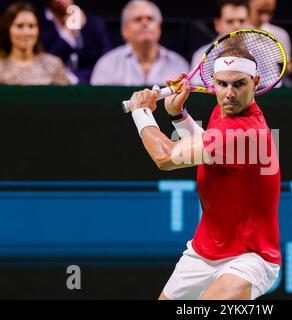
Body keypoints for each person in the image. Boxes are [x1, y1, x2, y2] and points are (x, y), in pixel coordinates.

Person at [126, 47, 281, 300]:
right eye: (222, 84)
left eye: (238, 84)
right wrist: (178, 115)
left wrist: (141, 111)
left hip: (250, 257)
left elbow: (164, 157)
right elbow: (209, 153)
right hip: (203, 251)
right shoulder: (225, 111)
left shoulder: (246, 133)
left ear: (255, 82)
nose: (229, 94)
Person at [90, 0, 189, 86]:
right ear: (125, 30)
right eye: (138, 19)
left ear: (159, 28)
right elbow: (97, 106)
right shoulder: (107, 65)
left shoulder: (179, 65)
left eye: (150, 19)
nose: (145, 23)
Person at [39, 0, 112, 84]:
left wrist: (75, 79)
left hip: (89, 85)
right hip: (50, 86)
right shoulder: (36, 23)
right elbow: (44, 64)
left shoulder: (94, 24)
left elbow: (106, 61)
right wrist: (68, 35)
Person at [0, 2, 69, 85]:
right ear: (8, 29)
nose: (26, 32)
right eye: (19, 26)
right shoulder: (1, 66)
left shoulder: (53, 65)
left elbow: (66, 97)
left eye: (31, 26)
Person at [190, 0, 250, 85]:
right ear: (217, 25)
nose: (237, 26)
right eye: (230, 21)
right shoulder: (202, 56)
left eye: (242, 21)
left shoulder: (263, 51)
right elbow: (202, 96)